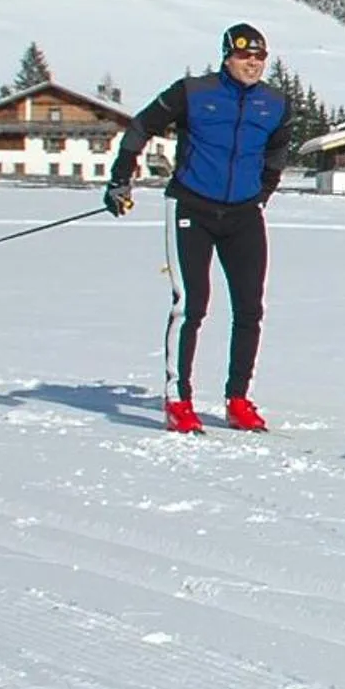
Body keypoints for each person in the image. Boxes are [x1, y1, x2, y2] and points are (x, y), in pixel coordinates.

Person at [105, 23, 293, 434]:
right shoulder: (193, 92)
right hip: (192, 206)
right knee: (191, 304)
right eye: (244, 56)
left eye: (260, 57)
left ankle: (238, 399)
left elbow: (278, 150)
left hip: (244, 213)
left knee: (250, 307)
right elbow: (141, 127)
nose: (253, 63)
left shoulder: (275, 103)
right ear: (227, 56)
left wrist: (263, 192)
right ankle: (178, 400)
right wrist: (121, 177)